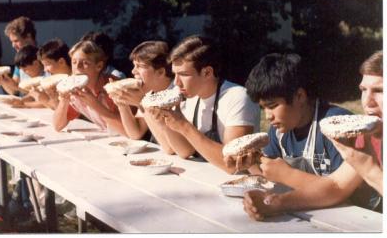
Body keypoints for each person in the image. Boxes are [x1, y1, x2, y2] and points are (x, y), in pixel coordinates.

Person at [243, 51, 383, 221]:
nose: (367, 101)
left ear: (300, 96)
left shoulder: (334, 125)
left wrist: (370, 170)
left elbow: (348, 196)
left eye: (379, 90)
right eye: (363, 90)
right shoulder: (369, 136)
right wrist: (275, 203)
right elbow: (337, 187)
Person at [230, 53, 351, 188]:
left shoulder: (337, 128)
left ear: (300, 96)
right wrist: (251, 164)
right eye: (263, 108)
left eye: (272, 106)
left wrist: (288, 175)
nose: (268, 116)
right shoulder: (278, 131)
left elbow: (343, 190)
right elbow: (269, 178)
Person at [149, 36, 260, 171]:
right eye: (175, 74)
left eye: (183, 74)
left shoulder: (238, 97)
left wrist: (184, 126)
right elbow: (185, 151)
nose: (176, 83)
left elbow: (233, 164)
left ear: (207, 72)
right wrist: (166, 121)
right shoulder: (190, 96)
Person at [107, 41, 193, 156]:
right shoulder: (150, 92)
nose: (133, 71)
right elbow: (135, 133)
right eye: (134, 65)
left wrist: (143, 103)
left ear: (161, 72)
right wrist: (122, 105)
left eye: (140, 66)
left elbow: (169, 148)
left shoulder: (177, 96)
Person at [53, 40, 125, 134]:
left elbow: (126, 129)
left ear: (99, 66)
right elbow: (58, 126)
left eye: (85, 62)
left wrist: (94, 104)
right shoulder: (76, 90)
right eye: (74, 62)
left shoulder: (113, 87)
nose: (78, 67)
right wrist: (64, 100)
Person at [0, 16, 37, 95]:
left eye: (16, 41)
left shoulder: (43, 57)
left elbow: (40, 95)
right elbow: (14, 91)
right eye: (12, 42)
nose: (13, 45)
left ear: (28, 36)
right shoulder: (20, 58)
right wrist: (2, 80)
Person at [31, 38, 72, 109]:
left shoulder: (76, 82)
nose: (45, 70)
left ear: (61, 62)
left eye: (47, 65)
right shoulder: (58, 81)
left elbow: (69, 113)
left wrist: (45, 100)